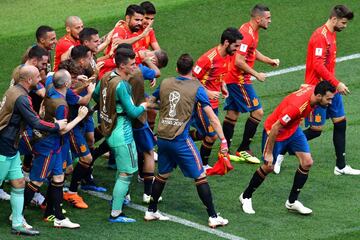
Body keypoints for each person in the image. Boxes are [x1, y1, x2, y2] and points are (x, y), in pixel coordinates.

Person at [144, 54, 229, 228]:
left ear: (176, 69)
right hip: (180, 139)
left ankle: (151, 211)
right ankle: (213, 216)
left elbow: (151, 103)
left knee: (162, 174)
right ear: (192, 70)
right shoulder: (197, 87)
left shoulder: (166, 82)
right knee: (200, 176)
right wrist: (223, 140)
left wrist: (164, 107)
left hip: (162, 138)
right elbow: (211, 117)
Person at [274, 5, 359, 175]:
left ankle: (340, 166)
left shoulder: (332, 34)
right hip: (318, 91)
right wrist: (337, 83)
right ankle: (279, 152)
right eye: (343, 22)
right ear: (334, 19)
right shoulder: (320, 37)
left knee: (340, 123)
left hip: (331, 90)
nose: (345, 26)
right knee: (315, 131)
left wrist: (334, 86)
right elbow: (318, 65)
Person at [239, 81, 336, 215]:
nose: (330, 102)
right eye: (328, 99)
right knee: (268, 167)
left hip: (293, 129)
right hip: (275, 133)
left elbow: (304, 86)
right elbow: (275, 127)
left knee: (307, 162)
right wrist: (268, 153)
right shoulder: (296, 108)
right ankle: (246, 196)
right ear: (319, 96)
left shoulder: (313, 91)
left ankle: (292, 202)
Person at [0, 65, 67, 235]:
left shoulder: (14, 90)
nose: (40, 80)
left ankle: (17, 222)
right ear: (29, 80)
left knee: (19, 183)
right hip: (4, 145)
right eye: (38, 77)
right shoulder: (22, 98)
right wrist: (56, 125)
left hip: (11, 144)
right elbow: (35, 122)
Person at [24, 70, 88, 229]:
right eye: (71, 80)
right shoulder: (62, 105)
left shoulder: (50, 87)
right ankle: (17, 214)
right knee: (37, 181)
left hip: (54, 145)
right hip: (48, 145)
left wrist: (77, 79)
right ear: (66, 84)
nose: (73, 81)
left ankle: (58, 217)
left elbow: (54, 75)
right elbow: (62, 130)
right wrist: (80, 117)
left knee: (59, 177)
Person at [93, 48, 148, 223]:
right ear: (123, 66)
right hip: (122, 132)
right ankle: (116, 213)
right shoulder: (122, 85)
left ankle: (120, 199)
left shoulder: (107, 76)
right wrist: (145, 106)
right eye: (132, 64)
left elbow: (95, 95)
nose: (135, 67)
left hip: (109, 128)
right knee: (126, 173)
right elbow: (132, 112)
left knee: (121, 170)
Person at [223, 4, 279, 164]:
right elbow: (239, 61)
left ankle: (224, 151)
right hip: (238, 79)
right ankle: (243, 149)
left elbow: (251, 51)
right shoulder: (247, 34)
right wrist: (257, 74)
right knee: (258, 112)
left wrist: (269, 61)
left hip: (234, 78)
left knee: (232, 114)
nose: (270, 21)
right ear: (258, 18)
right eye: (268, 18)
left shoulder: (250, 30)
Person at [192, 27, 242, 169]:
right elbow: (190, 79)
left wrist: (223, 85)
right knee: (212, 135)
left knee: (205, 134)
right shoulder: (208, 59)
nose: (237, 49)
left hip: (213, 103)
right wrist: (206, 92)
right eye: (236, 45)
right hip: (201, 102)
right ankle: (203, 164)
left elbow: (218, 75)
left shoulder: (228, 56)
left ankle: (181, 138)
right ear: (226, 42)